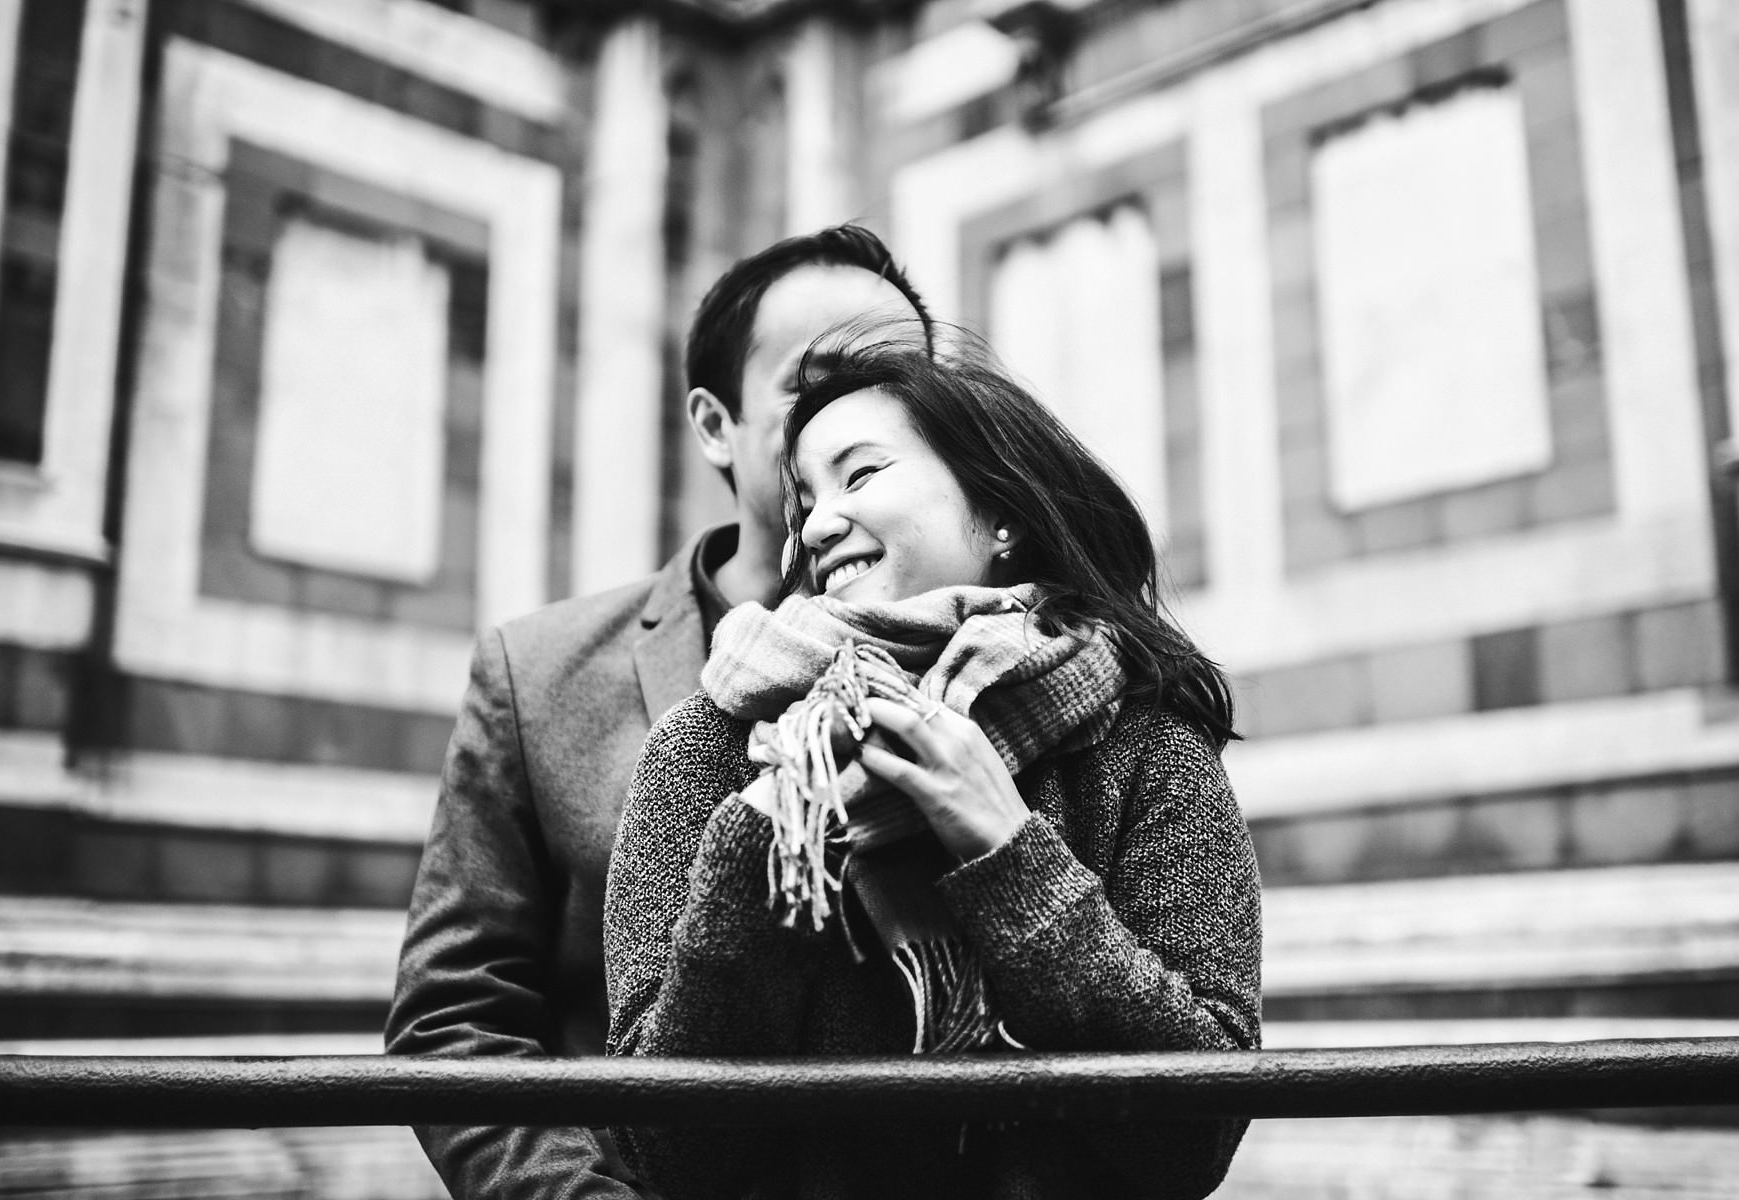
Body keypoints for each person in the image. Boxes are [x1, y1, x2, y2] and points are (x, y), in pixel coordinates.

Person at [603, 328, 1262, 1199]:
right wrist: (771, 841)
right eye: (805, 500)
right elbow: (666, 1155)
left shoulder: (1145, 743)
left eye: (860, 475)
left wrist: (1009, 854)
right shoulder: (711, 744)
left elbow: (1192, 1143)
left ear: (1002, 515)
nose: (818, 524)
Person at [385, 228, 932, 1199]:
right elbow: (457, 1021)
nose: (867, 414)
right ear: (716, 425)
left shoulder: (1003, 654)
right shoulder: (538, 673)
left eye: (906, 382)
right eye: (819, 384)